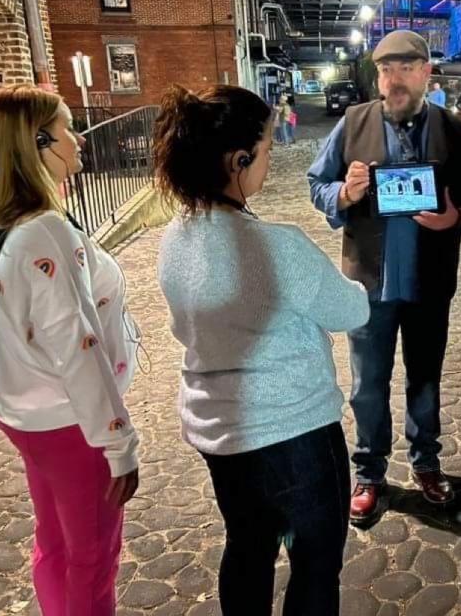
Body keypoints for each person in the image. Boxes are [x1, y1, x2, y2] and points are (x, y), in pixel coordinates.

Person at [155, 84, 369, 615]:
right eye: (268, 149)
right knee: (316, 565)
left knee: (247, 549)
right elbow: (351, 311)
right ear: (239, 158)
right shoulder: (279, 246)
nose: (270, 161)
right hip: (295, 434)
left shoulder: (175, 238)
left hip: (221, 436)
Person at [0, 84, 141, 614]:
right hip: (69, 423)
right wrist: (118, 444)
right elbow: (78, 348)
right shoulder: (44, 231)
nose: (78, 137)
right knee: (92, 558)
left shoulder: (6, 224)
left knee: (55, 542)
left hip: (24, 410)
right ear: (38, 142)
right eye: (65, 129)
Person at [307, 30, 461, 525]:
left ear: (426, 72)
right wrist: (344, 195)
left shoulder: (454, 131)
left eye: (407, 68)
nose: (395, 79)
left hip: (429, 282)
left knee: (425, 380)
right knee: (368, 385)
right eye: (386, 70)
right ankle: (369, 472)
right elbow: (316, 184)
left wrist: (456, 218)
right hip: (368, 284)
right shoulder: (353, 123)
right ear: (378, 75)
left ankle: (426, 463)